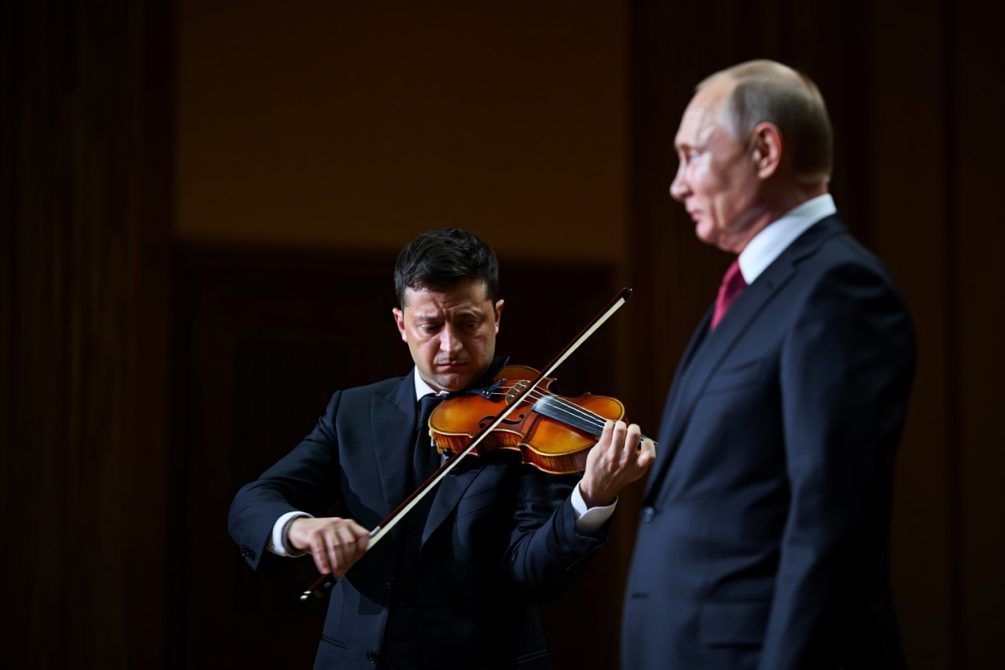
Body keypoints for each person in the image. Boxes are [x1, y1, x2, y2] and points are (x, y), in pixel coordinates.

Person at [229, 228, 654, 669]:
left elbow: (534, 576)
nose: (451, 346)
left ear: (496, 317)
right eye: (430, 327)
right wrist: (300, 528)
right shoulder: (352, 412)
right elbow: (252, 501)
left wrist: (591, 497)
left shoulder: (536, 430)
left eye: (468, 324)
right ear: (401, 325)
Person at [621, 60, 916, 669]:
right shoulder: (749, 290)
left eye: (692, 156)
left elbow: (830, 526)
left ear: (764, 150)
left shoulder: (840, 288)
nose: (677, 185)